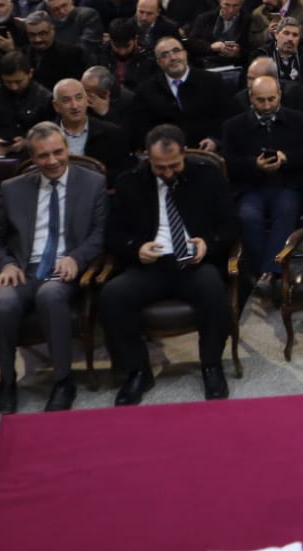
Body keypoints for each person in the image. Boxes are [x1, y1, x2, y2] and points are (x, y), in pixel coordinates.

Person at [98, 124, 239, 404]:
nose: (168, 173)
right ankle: (138, 370)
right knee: (112, 295)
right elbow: (112, 234)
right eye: (160, 167)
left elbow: (231, 225)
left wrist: (208, 243)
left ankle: (211, 366)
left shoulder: (207, 176)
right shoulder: (129, 182)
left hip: (193, 263)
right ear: (147, 158)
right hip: (151, 265)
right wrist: (136, 248)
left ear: (184, 153)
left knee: (213, 290)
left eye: (174, 165)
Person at [0, 122, 108, 414]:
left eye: (57, 152)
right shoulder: (11, 189)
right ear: (32, 157)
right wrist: (6, 264)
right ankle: (7, 381)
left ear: (67, 149)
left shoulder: (93, 183)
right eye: (43, 155)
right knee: (1, 303)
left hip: (65, 266)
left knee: (50, 295)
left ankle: (63, 381)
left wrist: (77, 258)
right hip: (23, 268)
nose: (52, 161)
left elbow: (100, 235)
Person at [221, 75, 303, 295]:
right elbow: (229, 162)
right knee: (248, 216)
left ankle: (266, 273)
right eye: (260, 100)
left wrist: (287, 159)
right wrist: (254, 165)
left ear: (280, 96)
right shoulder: (234, 126)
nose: (266, 106)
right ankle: (269, 273)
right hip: (250, 187)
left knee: (285, 210)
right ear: (250, 98)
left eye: (271, 99)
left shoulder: (299, 120)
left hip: (287, 185)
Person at [134, 35, 233, 151]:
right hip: (166, 153)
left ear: (185, 53)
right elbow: (143, 130)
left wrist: (215, 140)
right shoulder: (146, 90)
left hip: (207, 152)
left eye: (176, 51)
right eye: (165, 55)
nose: (173, 58)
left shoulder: (212, 81)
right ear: (159, 63)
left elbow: (228, 118)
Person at [51, 77, 132, 178]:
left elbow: (123, 174)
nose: (74, 106)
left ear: (86, 100)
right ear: (56, 106)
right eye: (66, 100)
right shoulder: (45, 137)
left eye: (79, 98)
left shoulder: (112, 134)